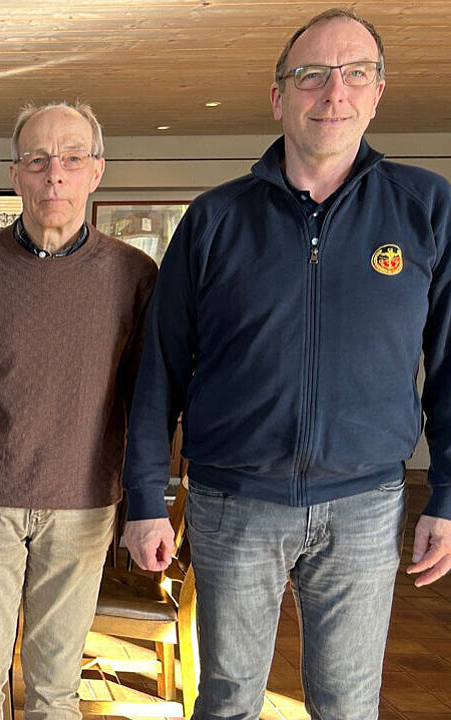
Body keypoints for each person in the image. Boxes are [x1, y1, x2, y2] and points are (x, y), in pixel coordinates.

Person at [122, 9, 451, 719]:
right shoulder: (213, 221)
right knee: (229, 699)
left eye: (354, 72)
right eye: (312, 75)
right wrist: (146, 499)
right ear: (279, 96)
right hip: (231, 502)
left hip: (365, 505)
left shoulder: (427, 209)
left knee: (348, 705)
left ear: (377, 91)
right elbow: (159, 374)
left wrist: (448, 493)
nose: (334, 91)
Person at [0, 102, 157, 720]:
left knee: (56, 688)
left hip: (83, 504)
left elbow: (145, 394)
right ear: (15, 176)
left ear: (97, 171)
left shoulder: (133, 275)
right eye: (38, 161)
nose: (55, 175)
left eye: (71, 159)